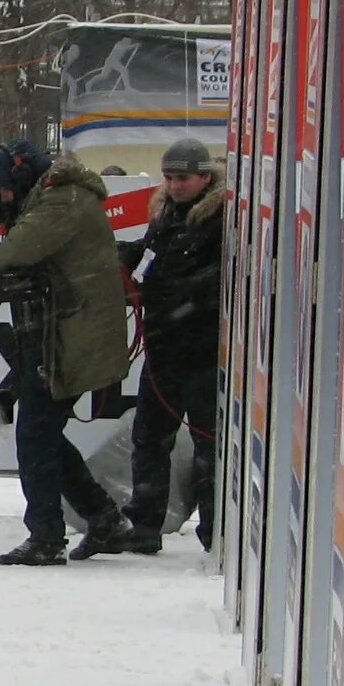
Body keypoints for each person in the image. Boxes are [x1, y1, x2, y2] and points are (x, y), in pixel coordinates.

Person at [0, 138, 132, 566]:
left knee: (35, 433)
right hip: (66, 330)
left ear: (23, 177)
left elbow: (18, 249)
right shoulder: (58, 195)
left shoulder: (62, 201)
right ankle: (104, 518)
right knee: (43, 433)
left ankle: (46, 536)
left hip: (73, 335)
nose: (3, 197)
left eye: (6, 187)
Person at [97, 138, 225, 555]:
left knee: (210, 444)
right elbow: (151, 251)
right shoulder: (166, 212)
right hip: (163, 345)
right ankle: (145, 523)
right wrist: (123, 255)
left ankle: (215, 531)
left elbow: (217, 278)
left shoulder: (223, 217)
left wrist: (166, 294)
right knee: (149, 437)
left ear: (205, 177)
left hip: (203, 348)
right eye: (168, 177)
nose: (173, 185)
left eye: (182, 178)